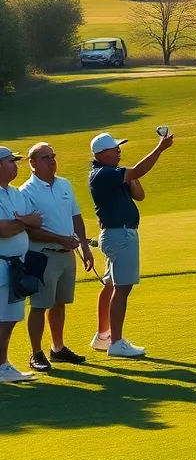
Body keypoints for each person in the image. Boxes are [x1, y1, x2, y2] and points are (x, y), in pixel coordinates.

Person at [88, 129, 173, 359]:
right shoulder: (103, 173)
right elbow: (138, 171)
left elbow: (140, 195)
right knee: (122, 287)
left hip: (117, 234)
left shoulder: (113, 174)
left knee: (110, 285)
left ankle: (103, 336)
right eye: (114, 148)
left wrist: (130, 175)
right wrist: (160, 148)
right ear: (101, 153)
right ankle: (116, 342)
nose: (119, 151)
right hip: (120, 235)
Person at [20, 143, 91, 372]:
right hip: (43, 256)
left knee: (60, 303)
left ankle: (57, 348)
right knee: (40, 305)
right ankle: (36, 353)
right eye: (45, 157)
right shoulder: (27, 191)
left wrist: (84, 246)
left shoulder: (64, 184)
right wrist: (60, 239)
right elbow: (29, 230)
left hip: (66, 255)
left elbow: (76, 216)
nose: (51, 161)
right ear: (32, 163)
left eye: (53, 156)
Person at [1, 147, 39, 383]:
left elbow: (36, 220)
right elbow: (2, 230)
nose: (15, 165)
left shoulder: (16, 193)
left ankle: (2, 364)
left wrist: (21, 221)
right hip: (1, 264)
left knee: (10, 318)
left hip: (17, 265)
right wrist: (24, 222)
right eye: (10, 161)